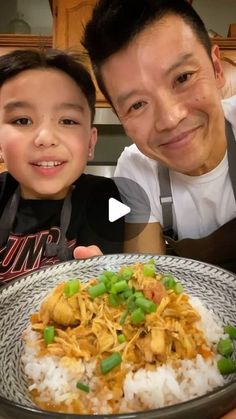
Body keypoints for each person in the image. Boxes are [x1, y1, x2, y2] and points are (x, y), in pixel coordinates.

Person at [82, 0, 236, 274]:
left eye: (183, 78)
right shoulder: (134, 170)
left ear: (216, 68)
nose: (170, 118)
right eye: (137, 105)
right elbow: (149, 287)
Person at [0, 49, 123, 284]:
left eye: (68, 121)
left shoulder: (106, 199)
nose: (45, 138)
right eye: (22, 120)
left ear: (90, 141)